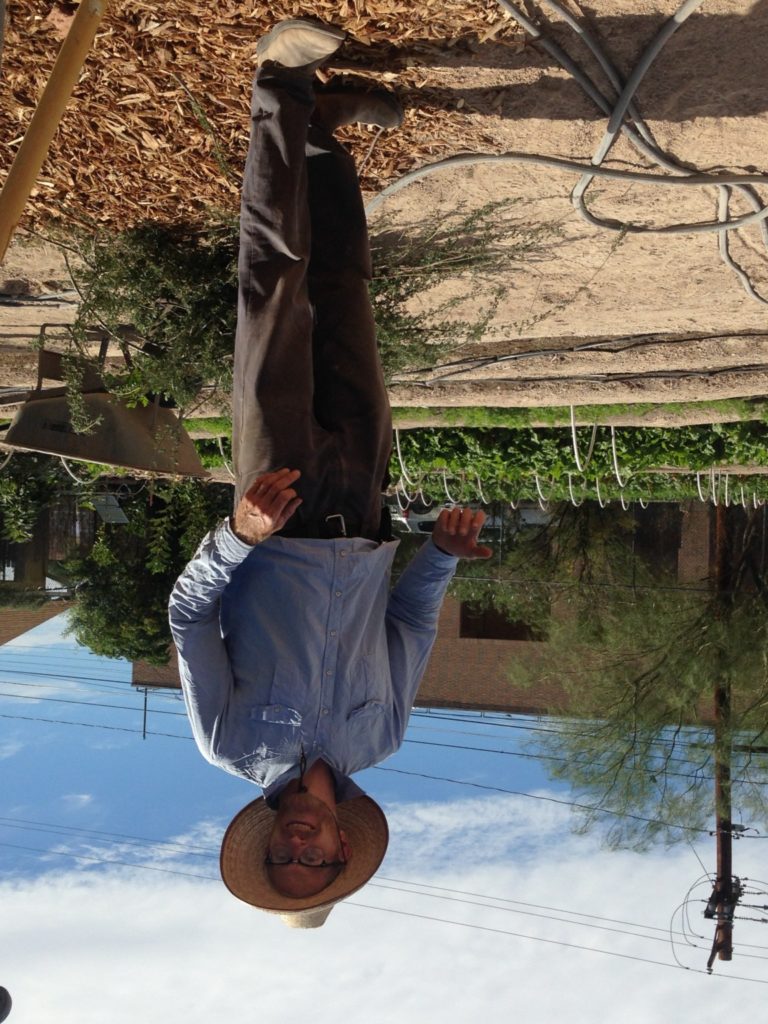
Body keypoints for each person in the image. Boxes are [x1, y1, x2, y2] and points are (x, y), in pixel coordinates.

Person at [168, 18, 492, 929]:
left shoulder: (227, 744)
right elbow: (412, 617)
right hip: (364, 506)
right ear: (343, 844)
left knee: (273, 290)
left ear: (267, 839)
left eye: (284, 859)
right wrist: (440, 552)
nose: (300, 848)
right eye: (315, 862)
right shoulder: (379, 738)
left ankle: (279, 85)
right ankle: (323, 142)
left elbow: (188, 614)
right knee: (346, 294)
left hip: (278, 502)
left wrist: (241, 535)